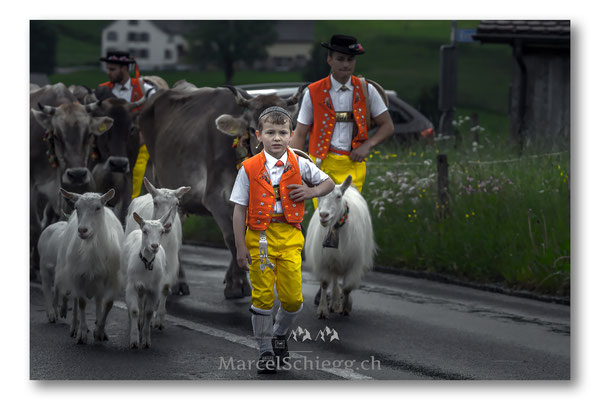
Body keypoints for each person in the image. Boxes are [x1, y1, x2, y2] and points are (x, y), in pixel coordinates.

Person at [230, 106, 334, 374]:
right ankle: (264, 349)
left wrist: (311, 191)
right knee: (263, 296)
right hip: (259, 237)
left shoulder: (298, 162)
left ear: (291, 136)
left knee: (292, 299)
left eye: (282, 133)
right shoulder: (248, 168)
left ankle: (279, 334)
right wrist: (240, 246)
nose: (276, 138)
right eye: (270, 132)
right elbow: (239, 208)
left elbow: (329, 184)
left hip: (290, 235)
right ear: (259, 136)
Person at [291, 34, 394, 197]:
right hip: (321, 165)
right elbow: (300, 133)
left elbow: (388, 126)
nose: (346, 64)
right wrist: (292, 169)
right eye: (340, 59)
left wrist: (367, 146)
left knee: (349, 214)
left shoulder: (367, 90)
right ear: (329, 59)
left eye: (350, 59)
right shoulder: (313, 92)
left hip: (353, 166)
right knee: (325, 215)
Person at [98, 50, 156, 199]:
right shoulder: (102, 90)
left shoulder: (144, 88)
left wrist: (145, 134)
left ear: (124, 69)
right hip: (112, 143)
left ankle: (131, 207)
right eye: (108, 69)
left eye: (112, 69)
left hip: (139, 140)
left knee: (136, 173)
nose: (108, 73)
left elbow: (157, 110)